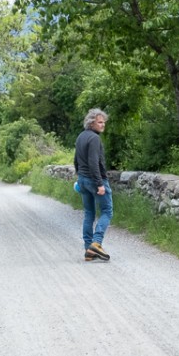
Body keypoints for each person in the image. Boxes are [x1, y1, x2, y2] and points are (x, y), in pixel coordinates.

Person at [74, 108, 112, 262]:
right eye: (100, 122)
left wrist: (79, 177)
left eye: (104, 122)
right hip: (94, 180)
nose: (103, 125)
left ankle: (88, 250)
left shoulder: (81, 137)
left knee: (89, 213)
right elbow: (93, 163)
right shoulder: (95, 139)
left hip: (83, 179)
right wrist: (99, 184)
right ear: (91, 123)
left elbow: (76, 160)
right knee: (107, 211)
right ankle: (96, 243)